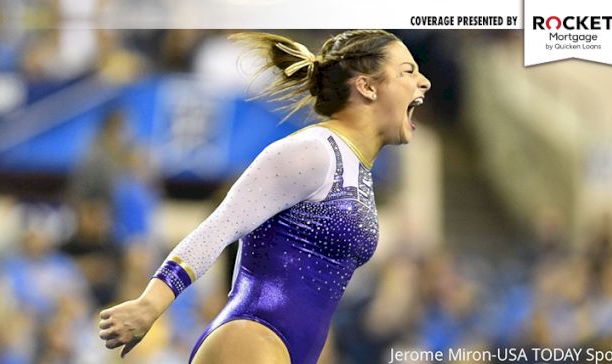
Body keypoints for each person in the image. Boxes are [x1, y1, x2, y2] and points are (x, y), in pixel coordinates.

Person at [98, 29, 431, 364]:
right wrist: (151, 304)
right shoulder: (312, 151)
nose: (424, 82)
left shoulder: (357, 170)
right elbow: (219, 227)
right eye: (408, 71)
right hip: (253, 338)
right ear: (367, 86)